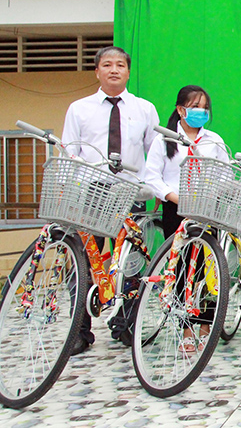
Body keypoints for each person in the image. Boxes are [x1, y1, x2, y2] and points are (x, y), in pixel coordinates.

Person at [62, 46, 159, 355]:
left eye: (120, 65)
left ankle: (125, 325)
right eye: (107, 65)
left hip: (131, 194)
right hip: (91, 192)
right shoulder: (79, 109)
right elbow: (69, 150)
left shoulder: (144, 109)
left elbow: (155, 152)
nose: (114, 69)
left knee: (132, 262)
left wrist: (155, 189)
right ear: (97, 71)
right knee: (83, 260)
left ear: (128, 72)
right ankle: (79, 331)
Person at [143, 85, 229, 353]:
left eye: (204, 108)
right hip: (176, 210)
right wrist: (175, 198)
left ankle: (206, 324)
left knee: (208, 269)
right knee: (180, 268)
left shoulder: (214, 140)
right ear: (181, 110)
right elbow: (151, 176)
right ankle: (186, 327)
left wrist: (212, 196)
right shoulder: (164, 140)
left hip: (206, 212)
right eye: (195, 107)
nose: (201, 112)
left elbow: (225, 174)